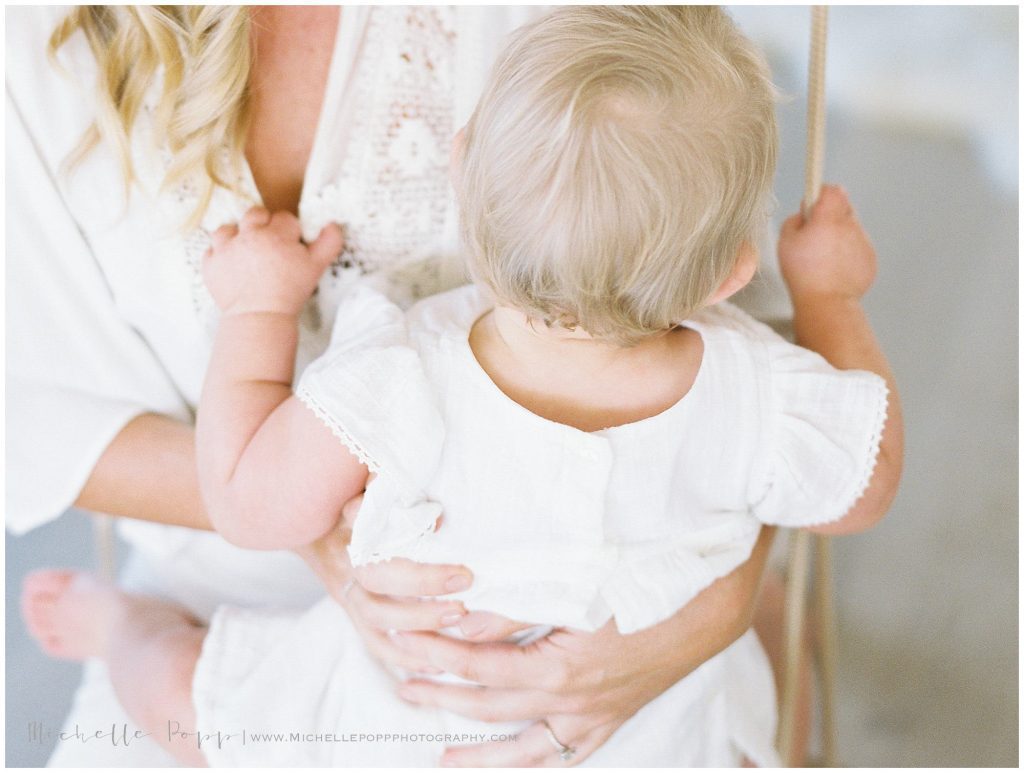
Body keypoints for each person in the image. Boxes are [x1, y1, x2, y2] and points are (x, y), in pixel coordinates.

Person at [22, 6, 903, 767]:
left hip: (399, 723)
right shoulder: (753, 386)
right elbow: (864, 484)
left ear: (461, 171)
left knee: (198, 711)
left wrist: (260, 312)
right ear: (731, 274)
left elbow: (251, 501)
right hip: (628, 741)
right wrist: (830, 295)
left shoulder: (403, 369)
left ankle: (119, 628)